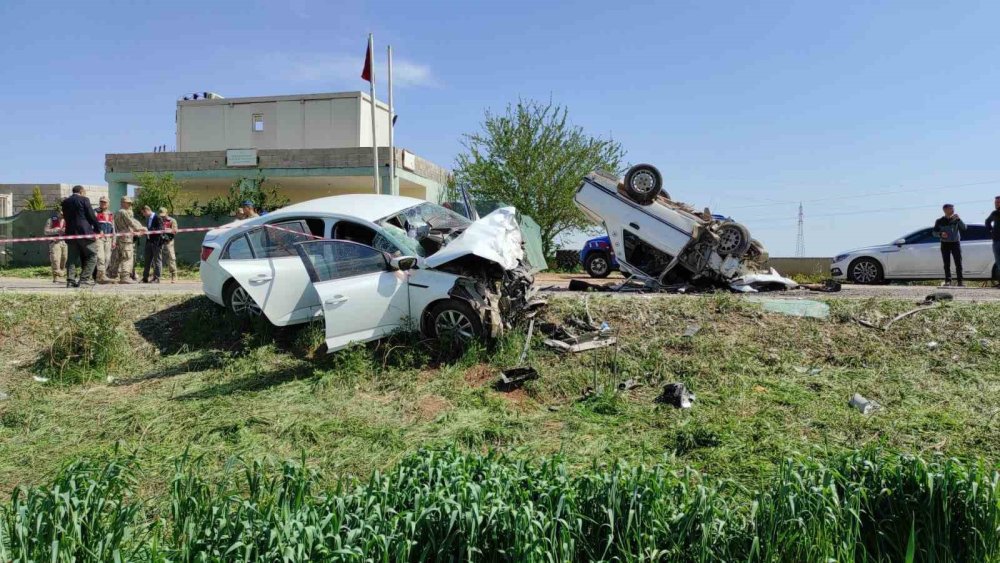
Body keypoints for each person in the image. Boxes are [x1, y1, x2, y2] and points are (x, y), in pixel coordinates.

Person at [60, 185, 101, 287]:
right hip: (84, 233)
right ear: (81, 191)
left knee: (72, 259)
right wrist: (97, 229)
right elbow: (91, 215)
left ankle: (70, 281)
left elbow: (66, 217)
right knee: (92, 255)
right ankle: (84, 280)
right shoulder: (84, 200)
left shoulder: (65, 202)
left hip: (70, 233)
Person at [113, 196, 146, 284]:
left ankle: (114, 275)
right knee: (127, 257)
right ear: (123, 203)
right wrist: (140, 228)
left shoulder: (116, 212)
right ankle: (125, 277)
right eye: (128, 203)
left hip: (119, 238)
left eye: (130, 203)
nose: (130, 205)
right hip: (126, 238)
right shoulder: (124, 212)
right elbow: (130, 222)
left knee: (118, 257)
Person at [933, 203, 967, 287]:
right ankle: (948, 281)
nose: (953, 210)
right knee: (946, 263)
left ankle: (960, 281)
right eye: (951, 208)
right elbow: (934, 233)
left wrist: (959, 219)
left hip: (955, 243)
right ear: (945, 210)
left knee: (958, 262)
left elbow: (964, 228)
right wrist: (941, 234)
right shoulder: (939, 221)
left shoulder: (956, 219)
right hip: (945, 244)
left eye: (953, 208)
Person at [94, 196, 116, 284]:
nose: (103, 204)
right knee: (100, 258)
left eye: (105, 202)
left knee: (107, 258)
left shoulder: (111, 214)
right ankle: (101, 276)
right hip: (99, 238)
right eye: (101, 202)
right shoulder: (95, 212)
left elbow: (113, 228)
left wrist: (114, 240)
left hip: (108, 239)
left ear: (108, 204)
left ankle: (101, 275)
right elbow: (92, 224)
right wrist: (95, 234)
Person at [141, 205, 164, 283]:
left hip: (157, 243)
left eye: (143, 213)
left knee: (157, 260)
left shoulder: (158, 217)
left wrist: (148, 230)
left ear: (147, 210)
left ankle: (157, 278)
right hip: (149, 242)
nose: (143, 215)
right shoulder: (148, 219)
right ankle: (145, 277)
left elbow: (160, 229)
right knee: (147, 260)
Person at [43, 209, 67, 283]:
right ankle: (56, 278)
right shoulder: (51, 220)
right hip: (55, 242)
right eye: (61, 212)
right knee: (55, 259)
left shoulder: (68, 220)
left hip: (65, 242)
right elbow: (46, 231)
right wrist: (56, 230)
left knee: (64, 258)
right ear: (58, 212)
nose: (62, 214)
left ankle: (61, 273)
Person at [159, 207, 179, 282]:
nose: (162, 217)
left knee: (171, 257)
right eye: (161, 215)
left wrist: (167, 230)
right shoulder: (159, 220)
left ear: (167, 213)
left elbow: (175, 231)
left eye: (164, 215)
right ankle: (157, 276)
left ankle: (174, 275)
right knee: (158, 258)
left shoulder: (172, 220)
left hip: (169, 241)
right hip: (160, 241)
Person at [986, 195, 1000, 287]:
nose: (996, 204)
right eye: (995, 202)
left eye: (998, 202)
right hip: (996, 241)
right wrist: (991, 231)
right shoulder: (994, 213)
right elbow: (987, 221)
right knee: (998, 262)